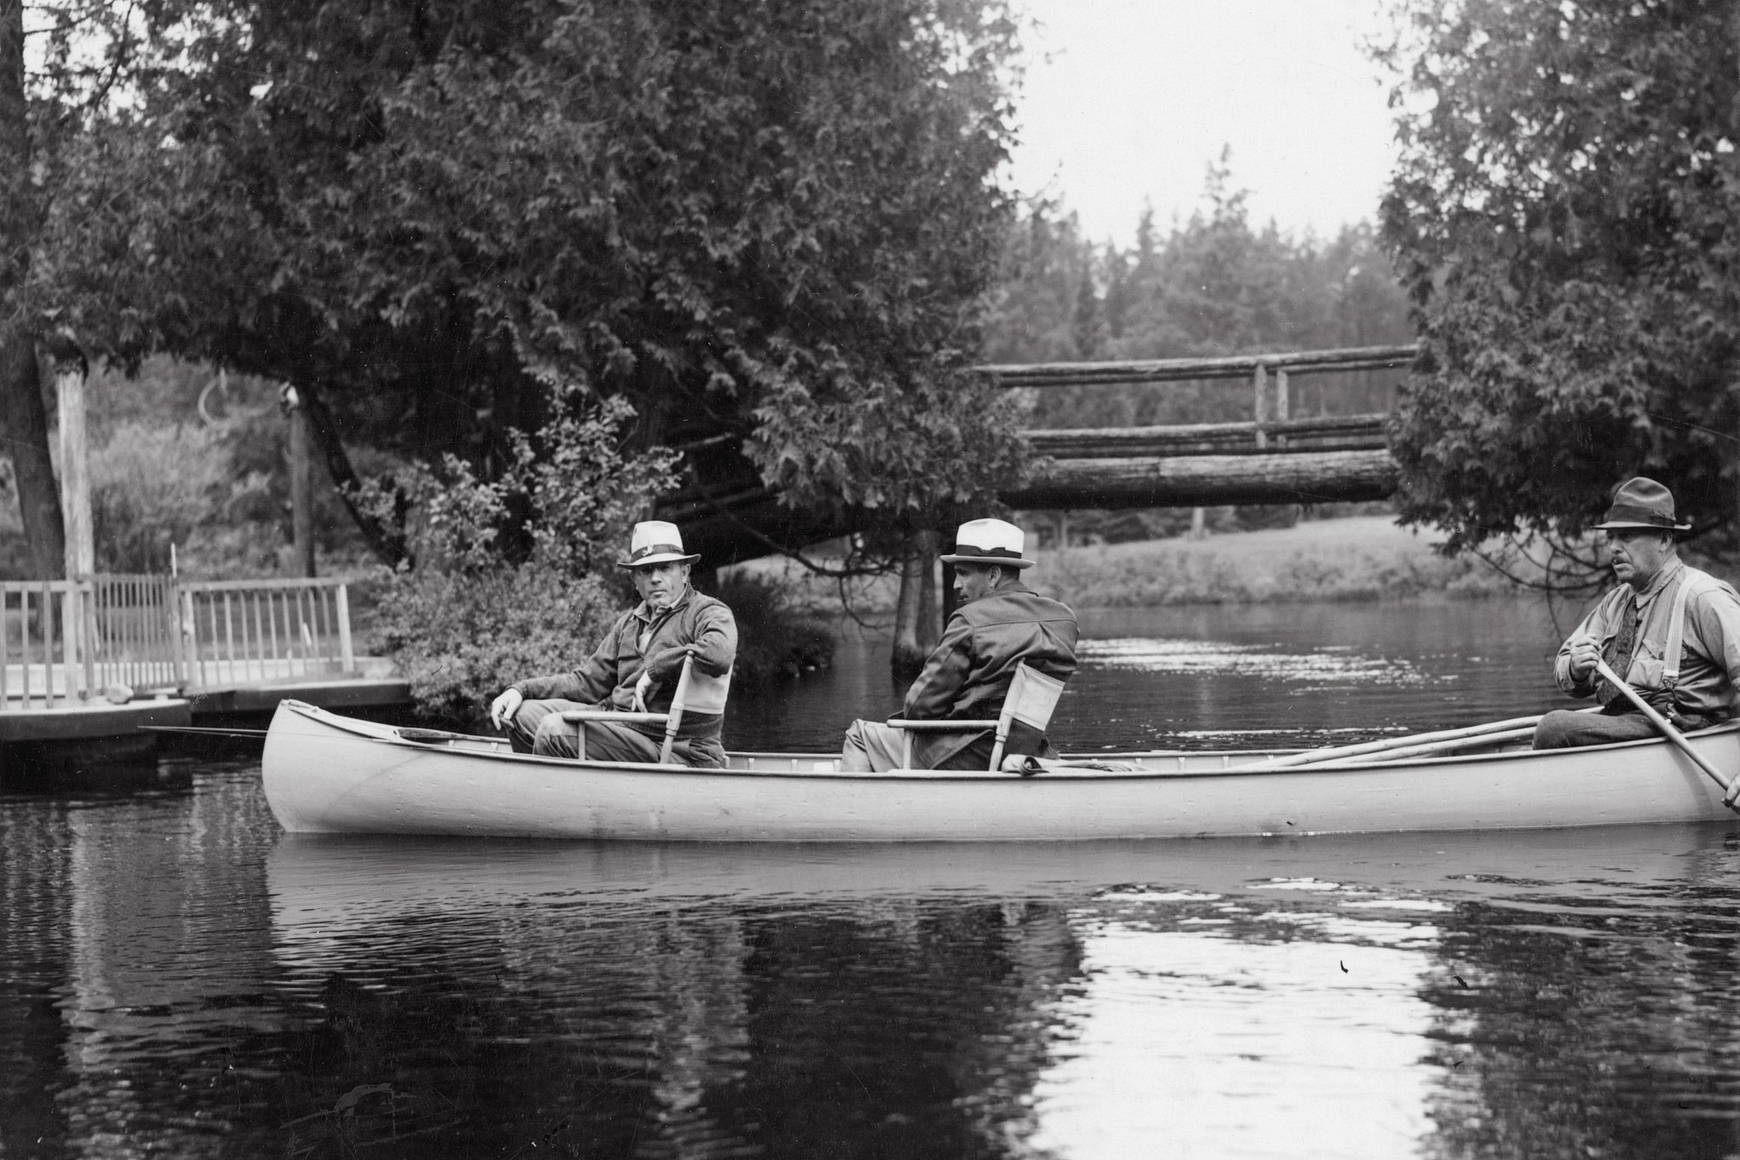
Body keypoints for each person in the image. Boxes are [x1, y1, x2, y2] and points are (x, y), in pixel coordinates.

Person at [488, 521, 737, 766]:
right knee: (520, 714)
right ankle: (557, 793)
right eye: (646, 571)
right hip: (622, 729)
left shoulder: (707, 612)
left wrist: (657, 668)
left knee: (555, 730)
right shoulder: (629, 623)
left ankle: (550, 796)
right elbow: (585, 683)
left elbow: (719, 654)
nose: (655, 579)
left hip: (678, 748)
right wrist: (520, 690)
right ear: (634, 580)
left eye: (665, 568)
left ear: (684, 572)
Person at [841, 518, 1079, 771]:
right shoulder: (1064, 620)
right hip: (1027, 751)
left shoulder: (970, 620)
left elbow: (919, 707)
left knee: (859, 735)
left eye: (963, 573)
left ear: (993, 575)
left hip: (967, 754)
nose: (956, 584)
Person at [1533, 477, 1740, 749]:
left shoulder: (1702, 597)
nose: (1614, 547)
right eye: (1611, 537)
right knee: (1554, 727)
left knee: (1555, 728)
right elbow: (1565, 668)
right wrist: (1576, 668)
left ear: (1664, 539)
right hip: (1627, 723)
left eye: (1627, 536)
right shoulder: (1615, 603)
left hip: (1684, 731)